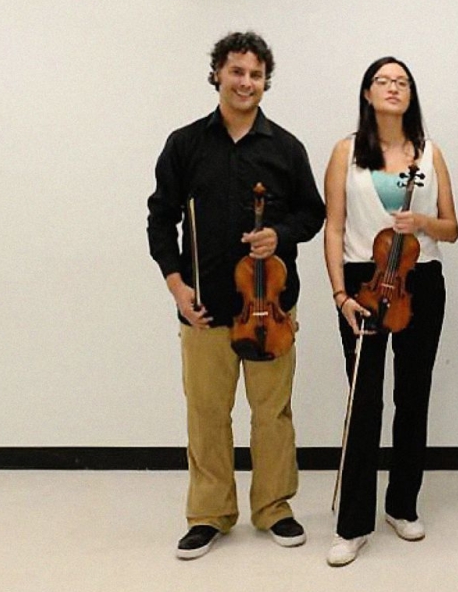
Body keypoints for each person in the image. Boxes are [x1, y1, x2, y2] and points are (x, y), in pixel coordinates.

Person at [147, 31, 325, 560]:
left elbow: (311, 213)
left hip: (271, 307)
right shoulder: (185, 144)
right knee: (206, 412)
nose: (246, 82)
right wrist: (177, 286)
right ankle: (210, 513)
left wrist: (281, 236)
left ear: (265, 81)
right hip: (203, 306)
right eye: (237, 72)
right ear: (218, 75)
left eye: (256, 74)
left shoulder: (286, 147)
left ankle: (274, 507)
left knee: (273, 413)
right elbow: (161, 217)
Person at [321, 56, 458, 567]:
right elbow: (333, 228)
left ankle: (402, 505)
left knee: (413, 396)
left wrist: (421, 219)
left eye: (402, 82)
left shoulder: (430, 151)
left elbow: (451, 228)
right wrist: (340, 295)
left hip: (421, 279)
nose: (393, 88)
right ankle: (352, 524)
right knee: (364, 404)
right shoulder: (345, 151)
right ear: (367, 93)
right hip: (363, 280)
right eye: (383, 81)